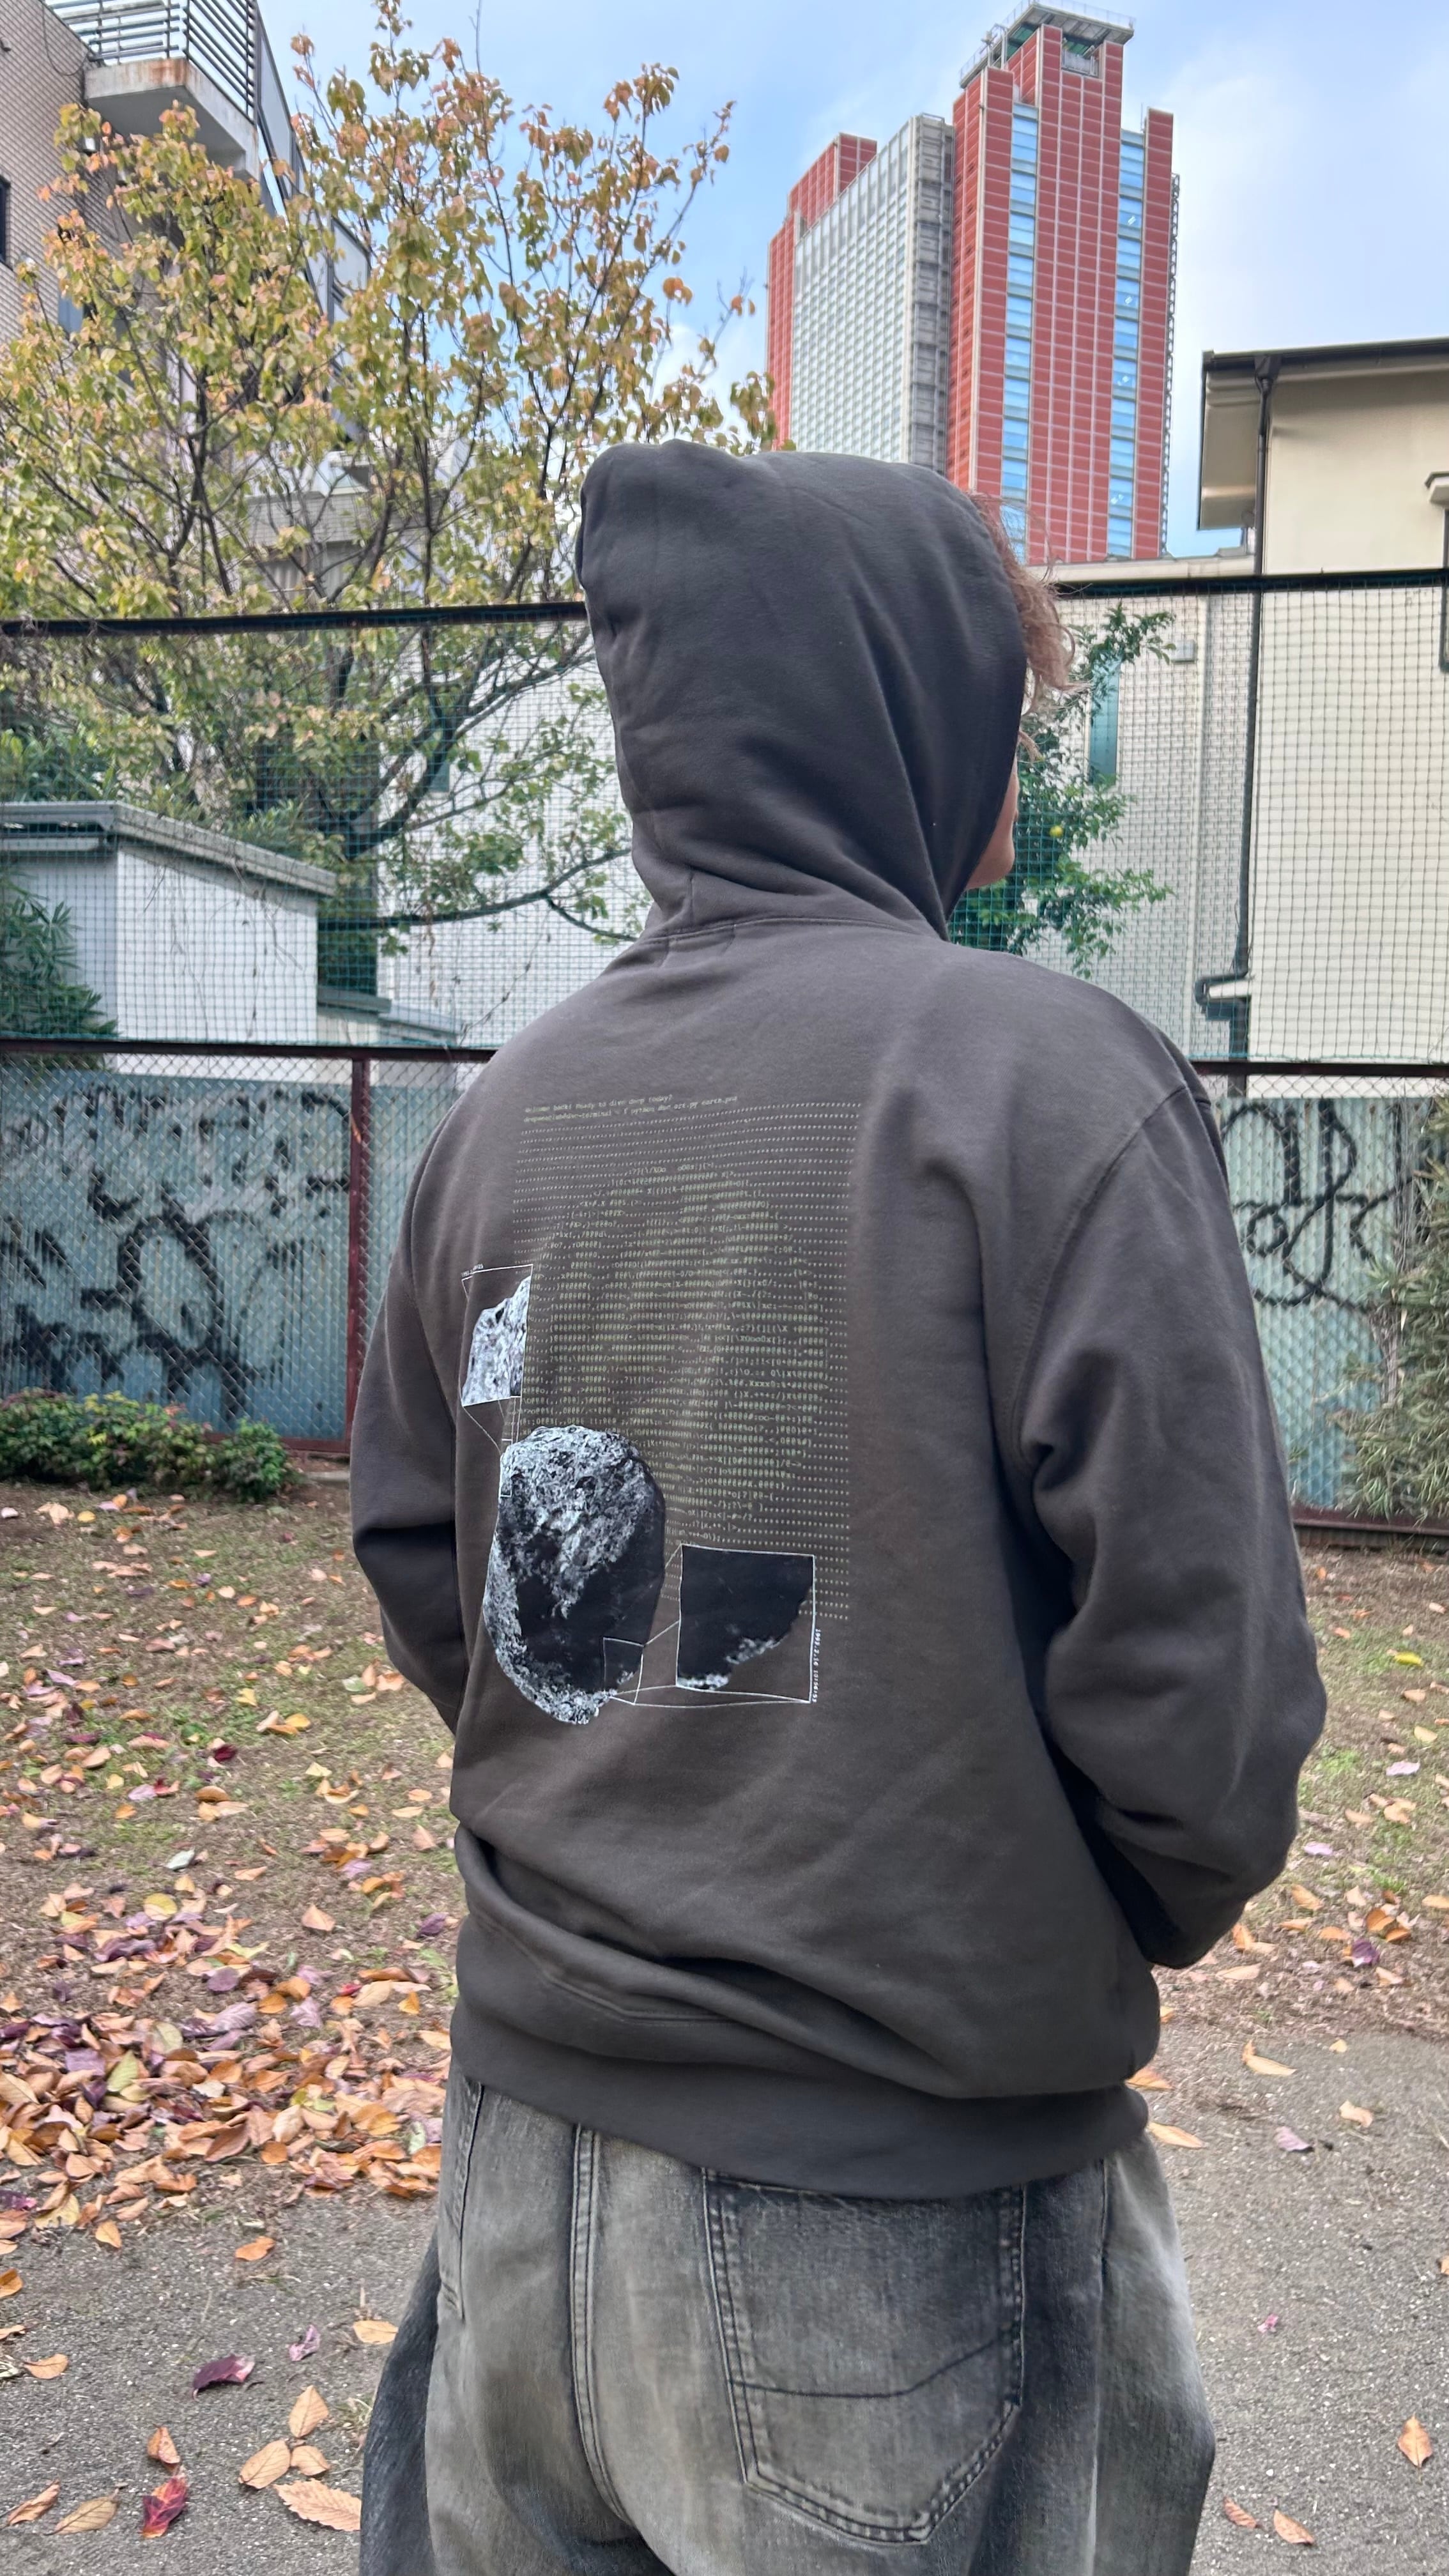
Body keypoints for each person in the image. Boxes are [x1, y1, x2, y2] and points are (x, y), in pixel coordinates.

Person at [350, 443, 1325, 2576]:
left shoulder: (503, 1113)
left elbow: (426, 1556)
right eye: (1006, 729)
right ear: (916, 728)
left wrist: (627, 1774)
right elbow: (1206, 1694)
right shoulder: (1047, 1083)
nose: (1009, 799)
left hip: (516, 2181)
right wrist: (1061, 1911)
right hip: (899, 2223)